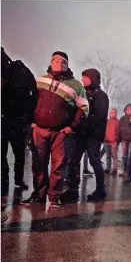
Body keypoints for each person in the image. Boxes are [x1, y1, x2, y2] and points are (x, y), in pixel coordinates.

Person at [21, 51, 88, 207]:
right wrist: (32, 121)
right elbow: (30, 101)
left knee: (58, 166)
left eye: (63, 61)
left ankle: (54, 197)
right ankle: (38, 196)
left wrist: (71, 127)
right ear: (51, 63)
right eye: (56, 61)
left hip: (60, 133)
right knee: (38, 165)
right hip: (39, 130)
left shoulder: (76, 85)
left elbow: (83, 108)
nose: (59, 63)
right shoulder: (40, 80)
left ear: (67, 64)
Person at [62, 68, 109, 203]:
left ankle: (101, 190)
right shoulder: (83, 93)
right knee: (73, 161)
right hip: (80, 134)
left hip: (92, 135)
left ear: (92, 78)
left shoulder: (101, 96)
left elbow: (98, 117)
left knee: (94, 161)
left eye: (85, 78)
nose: (82, 80)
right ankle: (72, 189)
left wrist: (79, 125)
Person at [1, 48, 38, 199]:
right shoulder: (22, 71)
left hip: (5, 119)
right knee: (19, 154)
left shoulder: (7, 68)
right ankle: (18, 180)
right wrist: (28, 117)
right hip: (18, 120)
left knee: (2, 155)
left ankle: (4, 185)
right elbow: (33, 94)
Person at [118, 104, 131, 177]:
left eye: (130, 109)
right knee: (125, 155)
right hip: (124, 139)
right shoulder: (122, 118)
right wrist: (118, 138)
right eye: (127, 109)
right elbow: (119, 128)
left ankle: (129, 172)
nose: (129, 110)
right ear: (125, 110)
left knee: (130, 156)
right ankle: (125, 171)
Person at [103, 108, 119, 175]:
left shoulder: (118, 121)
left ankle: (115, 169)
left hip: (114, 141)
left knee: (114, 156)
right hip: (106, 141)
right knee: (108, 155)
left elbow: (119, 132)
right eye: (111, 112)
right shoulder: (106, 121)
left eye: (114, 112)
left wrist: (115, 140)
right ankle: (108, 168)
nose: (112, 113)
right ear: (109, 113)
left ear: (116, 113)